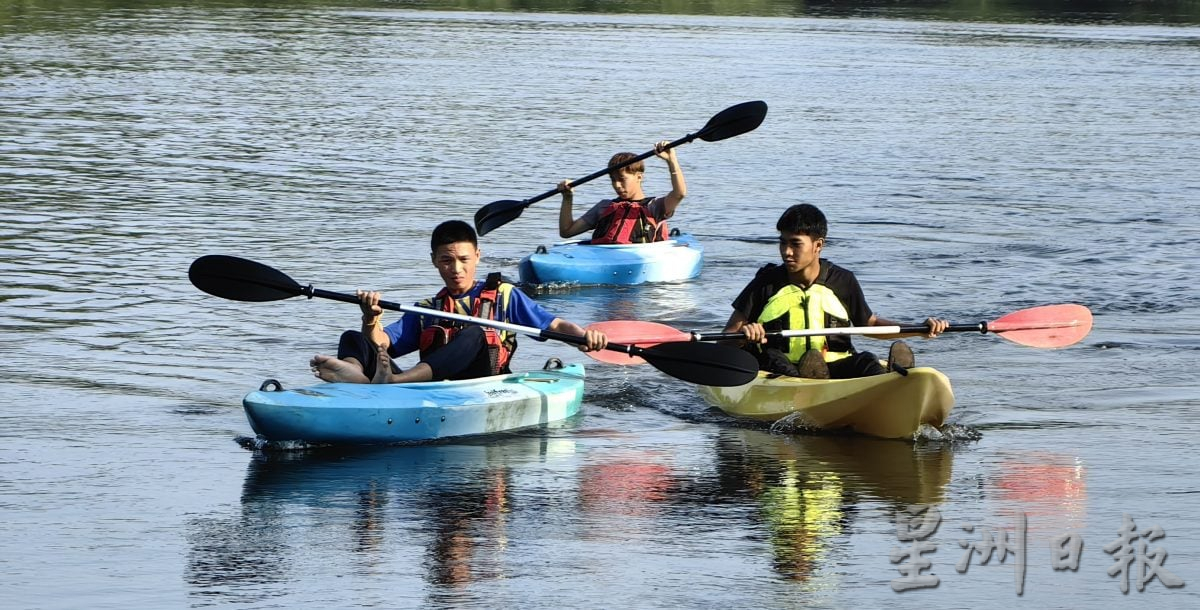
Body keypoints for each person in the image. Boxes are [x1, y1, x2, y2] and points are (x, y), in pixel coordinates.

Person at [310, 220, 608, 384]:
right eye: (447, 261)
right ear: (434, 262)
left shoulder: (505, 296)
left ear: (477, 257)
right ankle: (356, 377)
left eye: (464, 260)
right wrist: (370, 318)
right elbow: (382, 344)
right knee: (354, 337)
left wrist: (584, 336)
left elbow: (554, 325)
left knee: (475, 332)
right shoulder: (426, 309)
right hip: (426, 389)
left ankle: (397, 383)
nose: (456, 269)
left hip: (482, 387)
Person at [722, 204, 949, 379]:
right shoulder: (766, 283)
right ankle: (812, 383)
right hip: (782, 372)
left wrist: (919, 330)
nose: (786, 252)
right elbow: (726, 341)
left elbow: (869, 325)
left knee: (866, 360)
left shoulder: (843, 280)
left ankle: (894, 381)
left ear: (818, 245)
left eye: (795, 244)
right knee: (771, 357)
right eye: (782, 243)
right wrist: (745, 335)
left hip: (834, 367)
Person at [557, 141, 687, 244]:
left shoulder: (655, 207)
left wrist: (671, 161)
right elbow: (566, 231)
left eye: (622, 179)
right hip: (603, 258)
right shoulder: (604, 207)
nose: (617, 185)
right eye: (613, 180)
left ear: (639, 177)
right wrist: (567, 198)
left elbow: (679, 193)